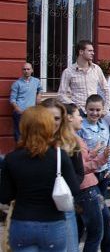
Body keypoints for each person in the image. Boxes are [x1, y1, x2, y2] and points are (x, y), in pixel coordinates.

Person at [0, 106, 80, 251]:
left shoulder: (11, 158)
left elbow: (5, 196)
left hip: (22, 221)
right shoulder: (59, 156)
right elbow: (74, 189)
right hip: (53, 221)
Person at [64, 103, 110, 252]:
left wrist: (93, 152)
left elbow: (80, 161)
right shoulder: (71, 140)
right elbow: (79, 169)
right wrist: (102, 158)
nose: (81, 118)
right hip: (86, 190)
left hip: (90, 187)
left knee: (88, 228)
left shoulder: (73, 137)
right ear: (69, 118)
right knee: (95, 233)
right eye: (78, 115)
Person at [41, 98, 84, 252]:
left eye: (57, 118)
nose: (53, 122)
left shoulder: (70, 141)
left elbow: (79, 174)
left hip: (62, 204)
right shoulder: (31, 143)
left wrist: (64, 186)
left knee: (70, 248)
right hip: (37, 207)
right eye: (48, 117)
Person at [78, 94, 110, 251]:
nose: (94, 113)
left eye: (97, 110)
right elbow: (81, 157)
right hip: (88, 177)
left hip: (103, 175)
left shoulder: (105, 125)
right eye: (91, 110)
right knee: (103, 216)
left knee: (102, 216)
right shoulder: (80, 127)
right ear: (85, 109)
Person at [58, 40, 110, 115]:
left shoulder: (96, 69)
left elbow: (107, 90)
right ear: (81, 52)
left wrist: (105, 109)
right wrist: (75, 106)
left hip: (94, 112)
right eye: (90, 51)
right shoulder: (68, 71)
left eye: (93, 51)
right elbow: (61, 94)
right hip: (78, 113)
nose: (93, 53)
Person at [10, 62, 42, 142]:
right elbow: (12, 99)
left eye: (28, 69)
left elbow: (40, 89)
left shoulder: (36, 81)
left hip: (32, 112)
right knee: (19, 134)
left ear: (32, 70)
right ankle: (19, 151)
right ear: (22, 71)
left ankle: (29, 152)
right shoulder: (17, 84)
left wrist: (39, 95)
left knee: (32, 133)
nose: (26, 71)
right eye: (24, 69)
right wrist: (17, 109)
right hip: (20, 112)